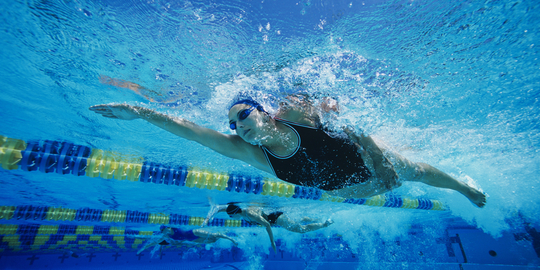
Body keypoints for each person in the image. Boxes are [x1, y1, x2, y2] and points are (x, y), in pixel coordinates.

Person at [89, 94, 487, 208]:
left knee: (414, 169)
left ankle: (464, 187)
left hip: (372, 165)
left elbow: (352, 125)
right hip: (357, 190)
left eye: (243, 115)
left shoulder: (296, 112)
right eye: (232, 124)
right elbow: (191, 132)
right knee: (407, 173)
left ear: (263, 111)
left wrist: (379, 161)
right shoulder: (252, 153)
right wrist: (140, 114)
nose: (239, 127)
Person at [202, 202, 333, 251]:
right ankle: (319, 218)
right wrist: (208, 218)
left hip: (276, 218)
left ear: (233, 214)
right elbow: (219, 208)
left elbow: (267, 225)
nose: (230, 217)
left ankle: (324, 224)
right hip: (274, 216)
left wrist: (272, 242)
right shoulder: (236, 210)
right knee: (299, 219)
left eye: (230, 216)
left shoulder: (251, 214)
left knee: (301, 230)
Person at [135, 226, 236, 257]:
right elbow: (155, 242)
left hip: (194, 232)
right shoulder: (166, 235)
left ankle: (231, 238)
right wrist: (143, 248)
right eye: (161, 231)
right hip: (192, 239)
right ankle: (224, 231)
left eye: (163, 230)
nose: (162, 232)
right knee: (212, 241)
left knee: (213, 235)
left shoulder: (174, 226)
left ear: (167, 227)